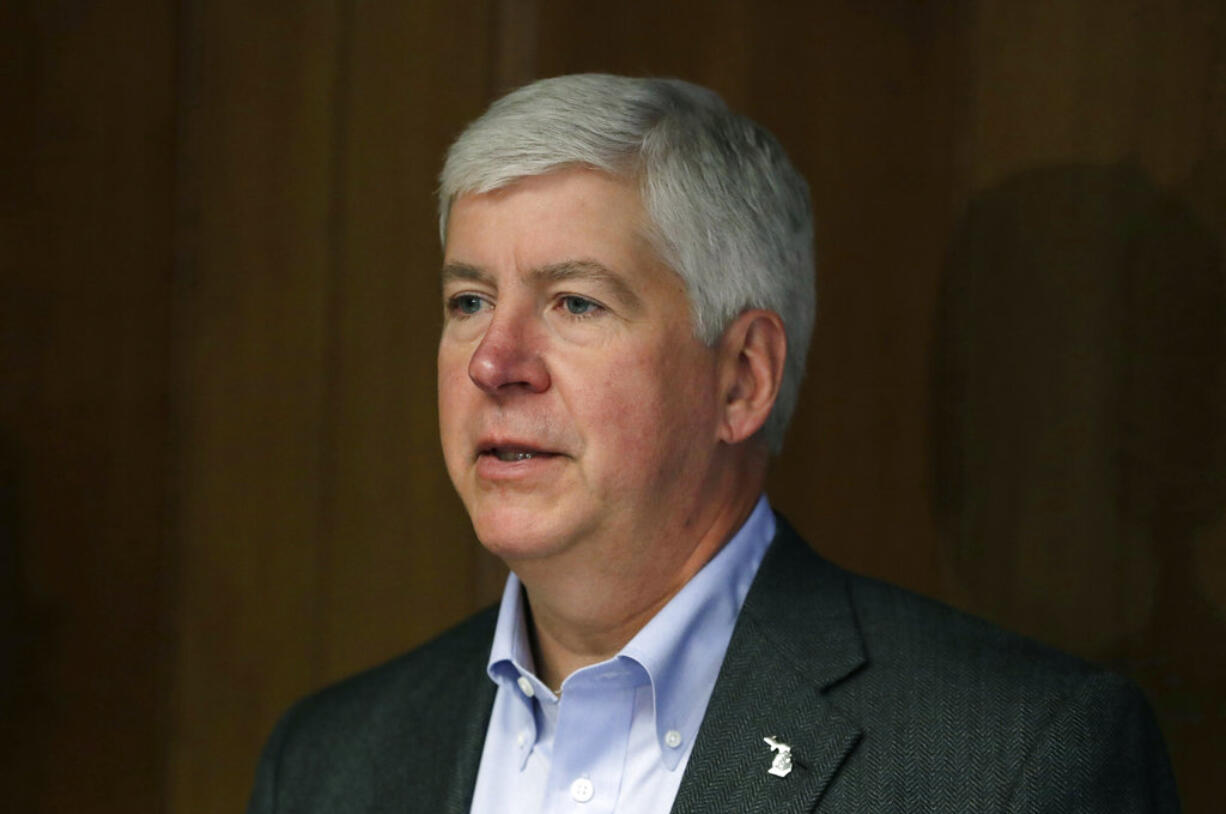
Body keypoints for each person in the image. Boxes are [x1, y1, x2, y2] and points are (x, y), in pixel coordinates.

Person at [246, 74, 1180, 813]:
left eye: (575, 301)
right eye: (469, 301)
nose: (494, 361)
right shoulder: (330, 762)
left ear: (742, 378)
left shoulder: (1015, 759)